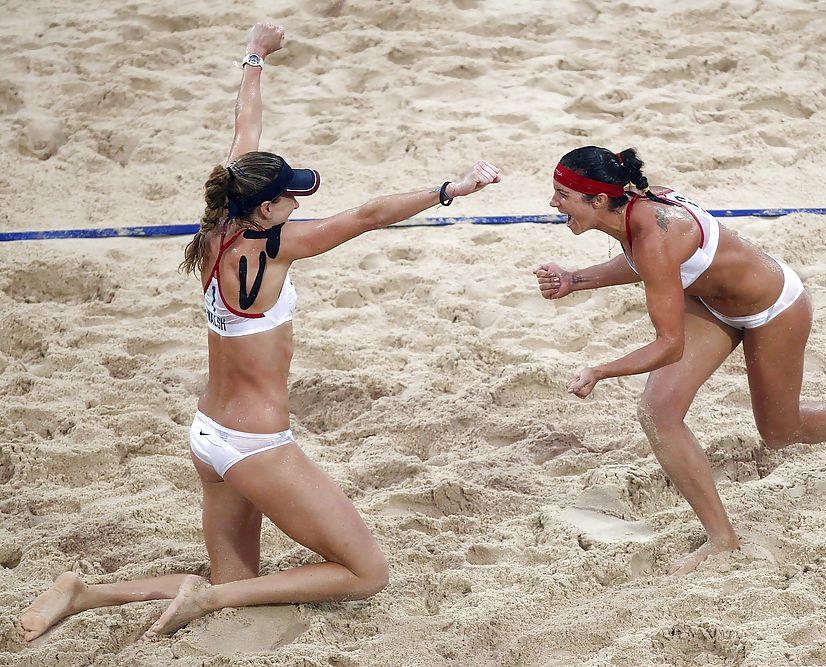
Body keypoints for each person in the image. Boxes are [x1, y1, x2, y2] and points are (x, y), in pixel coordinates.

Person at [18, 21, 501, 642]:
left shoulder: (218, 221)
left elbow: (244, 133)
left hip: (207, 436)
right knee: (365, 572)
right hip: (254, 445)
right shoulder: (276, 247)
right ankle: (204, 603)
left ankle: (87, 594)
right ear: (268, 209)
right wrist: (452, 188)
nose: (299, 204)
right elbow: (369, 214)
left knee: (239, 582)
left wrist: (255, 56)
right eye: (292, 197)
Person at [534, 146, 826, 575]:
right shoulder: (633, 211)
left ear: (599, 200)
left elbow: (669, 344)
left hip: (775, 308)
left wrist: (600, 370)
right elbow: (645, 263)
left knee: (779, 432)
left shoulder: (656, 233)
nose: (553, 203)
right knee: (658, 411)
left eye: (562, 194)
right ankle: (723, 539)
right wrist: (575, 280)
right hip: (713, 302)